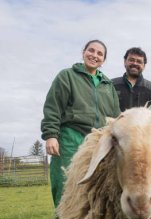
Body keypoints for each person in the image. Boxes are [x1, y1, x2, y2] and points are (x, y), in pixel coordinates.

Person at [41, 40, 121, 208]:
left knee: (96, 183)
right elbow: (53, 106)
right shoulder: (67, 76)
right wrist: (51, 135)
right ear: (83, 52)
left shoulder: (108, 85)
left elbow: (115, 116)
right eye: (91, 50)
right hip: (71, 137)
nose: (94, 55)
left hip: (98, 140)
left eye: (100, 54)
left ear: (104, 60)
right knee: (66, 182)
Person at [112, 47, 151, 111]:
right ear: (125, 61)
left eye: (139, 61)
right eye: (131, 60)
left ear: (144, 66)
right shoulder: (111, 85)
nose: (135, 63)